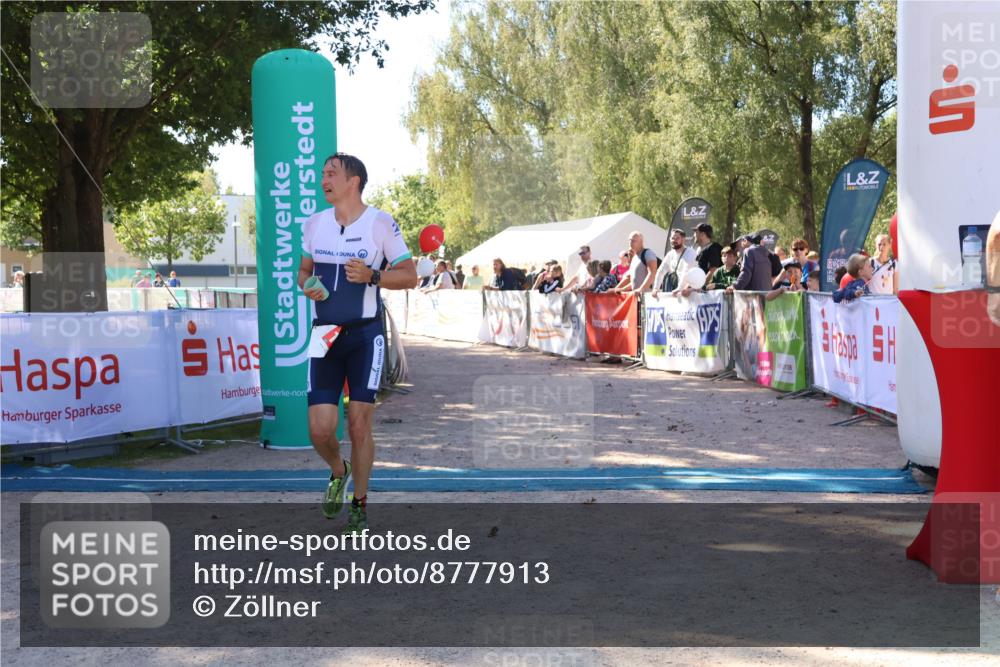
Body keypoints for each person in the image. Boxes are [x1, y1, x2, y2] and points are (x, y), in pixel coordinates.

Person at [298, 152, 418, 534]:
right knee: (319, 430)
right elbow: (303, 271)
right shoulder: (314, 224)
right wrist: (308, 285)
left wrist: (372, 275)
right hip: (324, 335)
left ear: (354, 181)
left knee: (359, 425)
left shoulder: (380, 223)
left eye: (331, 173)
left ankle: (360, 503)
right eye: (322, 174)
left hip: (366, 335)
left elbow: (410, 275)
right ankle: (339, 470)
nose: (324, 179)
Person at [653, 229, 698, 296]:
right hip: (674, 290)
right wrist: (656, 288)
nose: (674, 240)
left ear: (683, 239)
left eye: (677, 238)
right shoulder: (670, 254)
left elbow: (686, 272)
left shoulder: (690, 253)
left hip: (688, 291)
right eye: (672, 238)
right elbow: (661, 271)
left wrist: (679, 288)